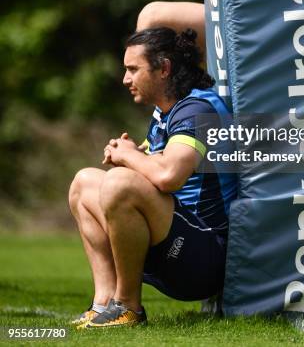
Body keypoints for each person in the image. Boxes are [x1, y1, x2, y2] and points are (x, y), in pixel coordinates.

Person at [68, 27, 237, 329]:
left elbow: (169, 176)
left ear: (164, 68)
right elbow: (154, 165)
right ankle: (104, 303)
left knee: (120, 182)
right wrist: (128, 153)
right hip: (175, 242)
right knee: (84, 183)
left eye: (133, 69)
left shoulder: (197, 109)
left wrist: (128, 157)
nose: (125, 79)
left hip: (204, 257)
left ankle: (128, 307)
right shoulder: (166, 113)